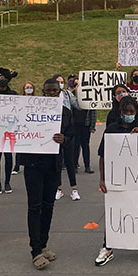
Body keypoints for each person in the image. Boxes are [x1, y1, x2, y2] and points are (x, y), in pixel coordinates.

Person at [95, 96, 138, 266]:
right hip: (116, 179)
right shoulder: (112, 130)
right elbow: (102, 155)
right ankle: (108, 247)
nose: (128, 114)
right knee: (114, 212)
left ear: (136, 113)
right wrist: (102, 179)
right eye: (126, 112)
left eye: (131, 112)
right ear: (120, 112)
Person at [20, 78, 69, 269]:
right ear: (42, 91)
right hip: (33, 165)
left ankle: (44, 244)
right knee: (35, 206)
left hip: (53, 165)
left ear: (59, 92)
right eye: (47, 91)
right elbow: (8, 122)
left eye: (54, 91)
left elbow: (72, 135)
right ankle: (35, 251)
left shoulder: (65, 113)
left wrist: (64, 139)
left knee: (49, 205)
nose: (50, 94)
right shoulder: (30, 110)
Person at [0, 69, 17, 195]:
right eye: (0, 79)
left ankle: (7, 181)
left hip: (9, 129)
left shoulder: (14, 94)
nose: (2, 81)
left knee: (8, 156)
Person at [53, 74, 79, 202]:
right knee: (57, 162)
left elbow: (77, 105)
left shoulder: (68, 94)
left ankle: (74, 189)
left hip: (67, 128)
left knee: (69, 161)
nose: (60, 84)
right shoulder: (48, 99)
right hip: (53, 130)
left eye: (62, 82)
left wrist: (78, 91)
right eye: (58, 82)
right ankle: (58, 188)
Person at [69, 74, 96, 173]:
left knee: (85, 145)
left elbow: (93, 112)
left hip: (85, 125)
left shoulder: (89, 97)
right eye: (76, 84)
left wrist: (92, 126)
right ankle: (74, 165)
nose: (78, 87)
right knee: (75, 146)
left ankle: (87, 166)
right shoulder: (71, 96)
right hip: (75, 125)